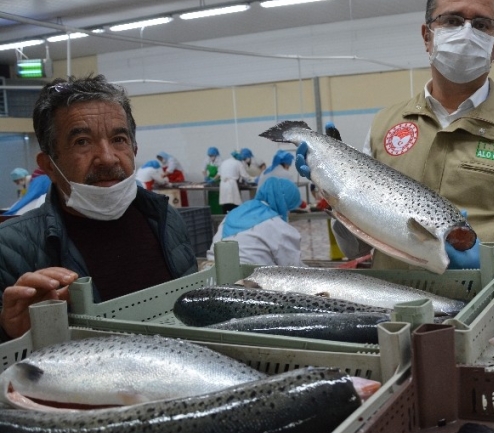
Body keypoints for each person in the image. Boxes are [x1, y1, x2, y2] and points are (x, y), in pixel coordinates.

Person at [298, 0, 494, 278]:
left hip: (483, 312)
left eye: (482, 25)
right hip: (393, 313)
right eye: (452, 21)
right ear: (427, 36)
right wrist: (331, 186)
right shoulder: (384, 125)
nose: (467, 34)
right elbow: (356, 248)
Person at [0, 75, 197, 340]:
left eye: (118, 139)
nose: (106, 157)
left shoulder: (165, 219)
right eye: (82, 141)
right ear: (49, 166)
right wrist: (13, 336)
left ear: (134, 148)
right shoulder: (11, 249)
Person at [206, 177, 303, 265]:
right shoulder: (277, 225)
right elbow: (293, 268)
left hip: (212, 271)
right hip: (245, 278)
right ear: (285, 205)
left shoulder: (235, 212)